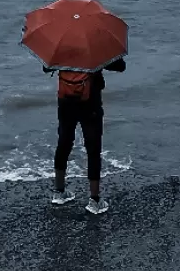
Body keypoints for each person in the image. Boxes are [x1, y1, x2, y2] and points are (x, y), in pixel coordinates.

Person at [50, 57, 126, 214]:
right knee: (93, 148)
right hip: (90, 102)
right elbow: (120, 66)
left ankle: (59, 192)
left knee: (64, 141)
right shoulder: (95, 47)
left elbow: (47, 67)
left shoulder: (61, 46)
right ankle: (94, 200)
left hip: (65, 101)